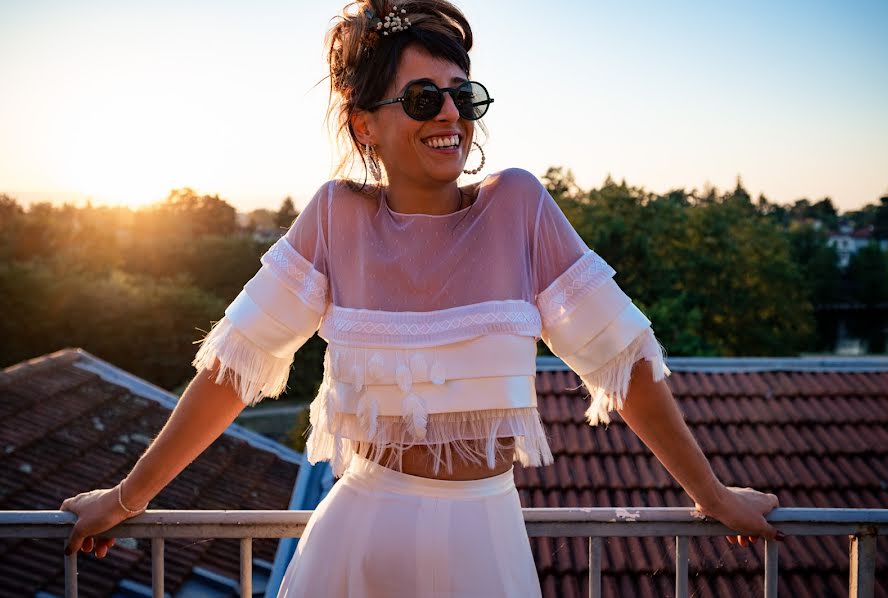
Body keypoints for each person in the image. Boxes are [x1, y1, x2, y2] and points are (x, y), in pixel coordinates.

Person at [59, 1, 784, 595]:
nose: (450, 115)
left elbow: (623, 362)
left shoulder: (520, 206)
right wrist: (125, 499)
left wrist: (712, 494)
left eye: (462, 96)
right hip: (355, 544)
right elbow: (231, 372)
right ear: (363, 123)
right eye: (422, 98)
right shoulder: (335, 216)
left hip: (485, 546)